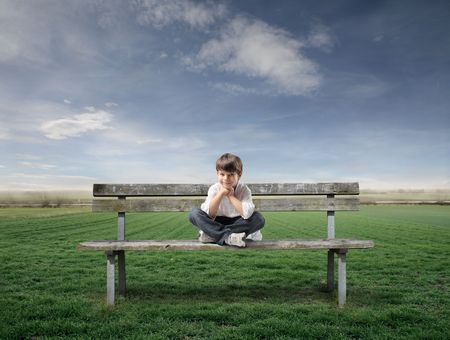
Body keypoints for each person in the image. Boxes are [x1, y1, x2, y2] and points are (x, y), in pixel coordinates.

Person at [189, 153, 265, 247]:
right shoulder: (214, 189)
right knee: (194, 213)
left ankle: (214, 235)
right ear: (217, 173)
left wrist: (230, 196)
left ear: (239, 174)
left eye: (231, 175)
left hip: (238, 222)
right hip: (217, 221)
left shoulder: (244, 190)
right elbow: (210, 214)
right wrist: (221, 194)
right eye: (222, 174)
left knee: (259, 219)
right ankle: (228, 237)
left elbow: (247, 213)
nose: (226, 178)